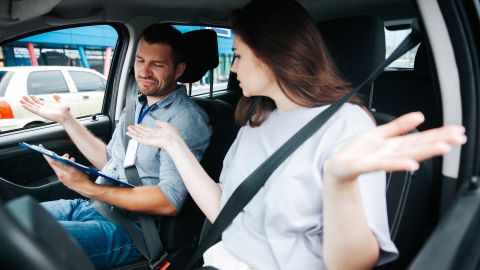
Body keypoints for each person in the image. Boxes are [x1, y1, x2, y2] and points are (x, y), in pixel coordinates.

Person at [124, 1, 467, 269]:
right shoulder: (256, 119)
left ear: (273, 56)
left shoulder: (349, 125)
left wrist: (340, 182)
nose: (232, 68)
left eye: (240, 56)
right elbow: (222, 209)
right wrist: (174, 144)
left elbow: (352, 265)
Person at [20, 23, 212, 268]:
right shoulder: (138, 105)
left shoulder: (186, 119)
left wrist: (87, 187)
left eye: (157, 64)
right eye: (141, 60)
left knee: (22, 242)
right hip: (96, 208)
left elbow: (169, 200)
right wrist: (67, 119)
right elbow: (111, 160)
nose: (144, 71)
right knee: (11, 219)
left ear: (178, 70)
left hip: (134, 229)